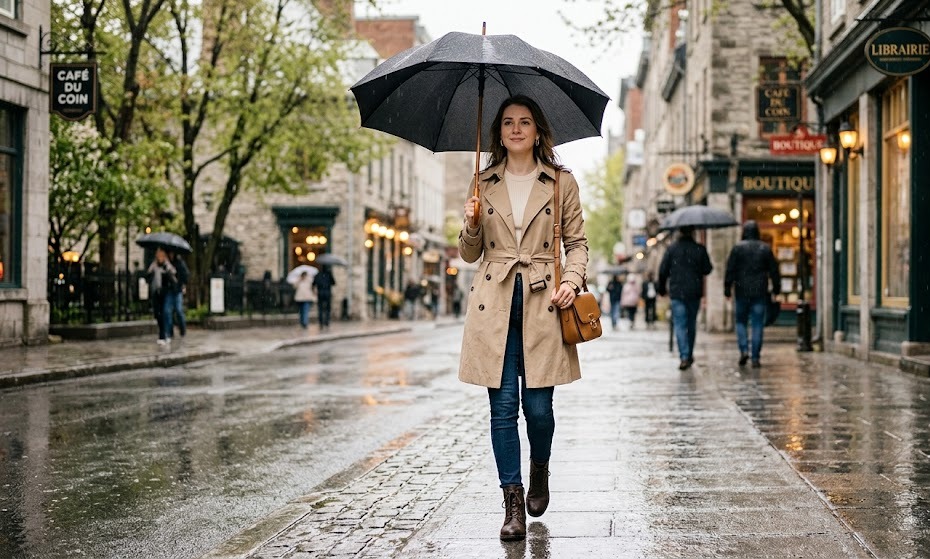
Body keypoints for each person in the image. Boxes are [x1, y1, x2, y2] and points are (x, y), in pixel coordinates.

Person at [459, 95, 588, 541]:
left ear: (537, 131)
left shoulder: (559, 182)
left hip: (543, 299)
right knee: (501, 409)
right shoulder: (481, 180)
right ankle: (512, 501)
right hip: (493, 300)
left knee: (539, 410)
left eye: (525, 122)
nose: (516, 129)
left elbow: (579, 243)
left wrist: (571, 280)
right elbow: (470, 252)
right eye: (508, 122)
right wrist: (472, 223)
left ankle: (540, 467)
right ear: (498, 132)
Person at [724, 220, 781, 368]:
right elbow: (774, 271)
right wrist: (776, 289)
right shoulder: (764, 248)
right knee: (757, 324)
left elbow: (730, 270)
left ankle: (744, 349)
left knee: (740, 322)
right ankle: (755, 357)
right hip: (759, 291)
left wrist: (727, 289)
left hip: (741, 291)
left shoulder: (737, 249)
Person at [658, 226, 713, 370]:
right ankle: (688, 354)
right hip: (694, 292)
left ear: (679, 232)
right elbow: (708, 269)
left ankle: (684, 355)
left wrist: (662, 289)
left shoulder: (672, 249)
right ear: (693, 232)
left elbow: (663, 271)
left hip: (677, 292)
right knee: (691, 324)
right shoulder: (699, 249)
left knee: (680, 325)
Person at [146, 247, 178, 345]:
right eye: (158, 255)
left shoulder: (168, 266)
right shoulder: (153, 266)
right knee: (158, 314)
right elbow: (148, 277)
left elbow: (174, 279)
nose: (160, 257)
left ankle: (164, 334)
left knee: (165, 313)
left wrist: (167, 273)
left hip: (166, 293)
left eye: (162, 255)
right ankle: (163, 333)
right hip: (156, 292)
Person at [168, 251, 189, 338]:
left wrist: (180, 283)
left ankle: (182, 330)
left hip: (177, 290)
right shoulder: (166, 263)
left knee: (178, 310)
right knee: (169, 311)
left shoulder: (180, 263)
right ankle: (170, 331)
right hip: (168, 290)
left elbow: (185, 275)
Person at [312, 265, 335, 330]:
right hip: (327, 293)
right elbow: (333, 283)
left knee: (320, 308)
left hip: (320, 293)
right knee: (327, 308)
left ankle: (321, 322)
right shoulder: (329, 275)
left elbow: (313, 283)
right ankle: (326, 321)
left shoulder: (318, 275)